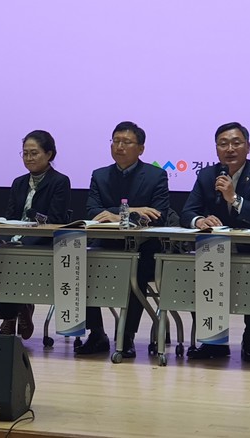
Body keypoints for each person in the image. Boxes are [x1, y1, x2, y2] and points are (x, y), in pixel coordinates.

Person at [180, 122, 250, 362]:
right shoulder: (207, 175)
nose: (230, 149)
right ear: (216, 149)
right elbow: (187, 212)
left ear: (248, 147)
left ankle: (249, 338)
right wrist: (199, 220)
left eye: (236, 143)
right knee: (198, 273)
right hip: (214, 252)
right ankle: (213, 340)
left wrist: (234, 198)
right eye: (223, 144)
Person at [75, 121, 170, 359]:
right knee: (79, 265)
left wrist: (115, 214)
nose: (119, 146)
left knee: (135, 270)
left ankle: (127, 335)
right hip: (107, 243)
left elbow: (158, 215)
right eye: (115, 141)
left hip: (145, 248)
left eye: (126, 142)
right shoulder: (100, 175)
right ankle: (96, 333)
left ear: (141, 148)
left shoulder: (156, 175)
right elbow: (92, 211)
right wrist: (133, 211)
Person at [0, 130, 71, 340]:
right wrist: (4, 237)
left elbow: (55, 219)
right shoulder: (18, 182)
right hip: (13, 240)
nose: (29, 158)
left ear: (49, 154)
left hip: (41, 242)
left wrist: (24, 238)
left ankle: (17, 310)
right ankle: (11, 314)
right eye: (25, 153)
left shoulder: (59, 181)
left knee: (14, 257)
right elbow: (10, 216)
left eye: (34, 153)